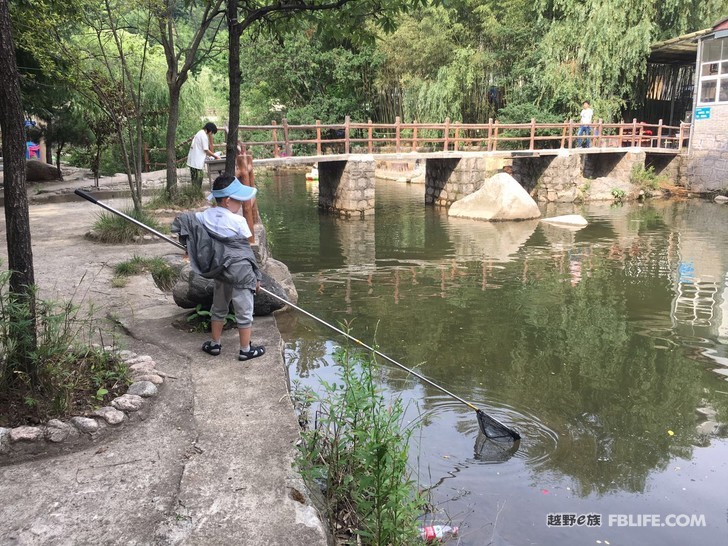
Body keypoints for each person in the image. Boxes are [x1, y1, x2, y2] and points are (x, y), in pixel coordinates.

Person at [171, 174, 265, 362]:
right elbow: (245, 251)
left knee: (219, 308)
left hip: (221, 270)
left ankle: (215, 344)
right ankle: (245, 349)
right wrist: (256, 276)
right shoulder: (238, 221)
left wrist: (189, 244)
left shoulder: (204, 216)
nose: (241, 204)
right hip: (241, 273)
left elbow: (184, 221)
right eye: (239, 200)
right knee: (244, 311)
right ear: (229, 200)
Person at [187, 122, 220, 190]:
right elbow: (206, 150)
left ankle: (195, 194)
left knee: (194, 180)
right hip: (197, 162)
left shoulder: (199, 133)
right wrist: (215, 156)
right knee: (198, 180)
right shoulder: (203, 136)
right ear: (210, 130)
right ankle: (197, 194)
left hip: (193, 160)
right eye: (212, 132)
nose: (211, 134)